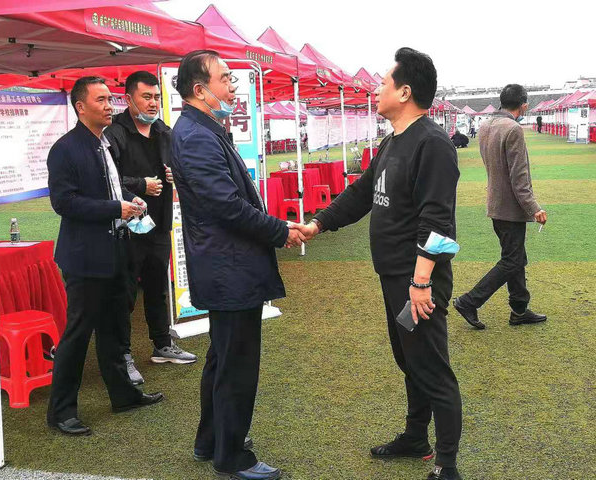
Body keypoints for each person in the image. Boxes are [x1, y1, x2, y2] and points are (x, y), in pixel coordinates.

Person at [294, 48, 463, 480]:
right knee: (411, 363)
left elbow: (438, 222)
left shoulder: (433, 144)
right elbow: (361, 194)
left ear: (404, 92)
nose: (376, 89)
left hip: (417, 281)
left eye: (384, 82)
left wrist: (420, 283)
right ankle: (416, 437)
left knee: (432, 368)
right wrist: (318, 223)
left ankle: (447, 465)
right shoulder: (392, 141)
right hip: (393, 277)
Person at [170, 50, 305, 480]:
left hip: (228, 264)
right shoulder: (196, 135)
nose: (233, 86)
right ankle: (231, 456)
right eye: (225, 78)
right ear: (200, 89)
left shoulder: (203, 129)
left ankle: (211, 440)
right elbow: (226, 206)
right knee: (236, 365)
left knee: (223, 357)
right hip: (228, 267)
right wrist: (280, 230)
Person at [46, 77, 163, 436]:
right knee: (78, 333)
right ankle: (61, 411)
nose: (109, 105)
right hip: (85, 258)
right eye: (101, 100)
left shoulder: (104, 143)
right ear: (80, 107)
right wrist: (116, 207)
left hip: (116, 250)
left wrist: (130, 199)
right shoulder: (66, 149)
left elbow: (111, 188)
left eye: (110, 98)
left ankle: (124, 395)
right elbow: (64, 202)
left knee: (115, 329)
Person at [105, 71, 196, 386]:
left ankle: (162, 344)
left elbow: (180, 168)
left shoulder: (164, 131)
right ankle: (123, 356)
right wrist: (140, 185)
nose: (153, 103)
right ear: (128, 99)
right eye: (146, 97)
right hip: (127, 226)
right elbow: (107, 179)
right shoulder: (115, 133)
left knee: (158, 287)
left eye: (157, 97)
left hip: (158, 224)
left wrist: (175, 175)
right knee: (125, 293)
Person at [453, 84, 547, 330]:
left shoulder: (487, 125)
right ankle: (469, 301)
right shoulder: (513, 129)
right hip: (510, 208)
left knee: (516, 258)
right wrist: (534, 208)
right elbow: (519, 178)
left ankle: (519, 309)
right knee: (512, 261)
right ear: (523, 105)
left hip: (496, 203)